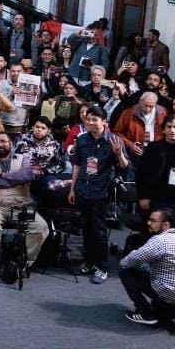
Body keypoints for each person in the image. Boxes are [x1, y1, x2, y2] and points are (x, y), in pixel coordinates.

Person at [0, 132, 50, 279]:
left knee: (41, 227)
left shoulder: (24, 159)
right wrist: (15, 181)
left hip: (20, 206)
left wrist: (3, 175)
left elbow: (27, 176)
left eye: (3, 141)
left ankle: (22, 263)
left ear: (11, 144)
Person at [68, 105, 129, 284]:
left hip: (101, 192)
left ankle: (102, 267)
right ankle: (88, 262)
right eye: (88, 119)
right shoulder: (82, 140)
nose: (90, 122)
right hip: (83, 189)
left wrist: (119, 155)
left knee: (99, 231)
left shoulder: (114, 140)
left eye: (95, 119)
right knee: (86, 229)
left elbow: (126, 167)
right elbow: (77, 164)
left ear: (104, 121)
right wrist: (72, 188)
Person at [118, 208, 175, 335]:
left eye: (153, 221)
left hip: (169, 291)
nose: (148, 223)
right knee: (158, 306)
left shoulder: (159, 241)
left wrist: (123, 261)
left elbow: (134, 258)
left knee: (125, 270)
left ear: (165, 224)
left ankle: (144, 313)